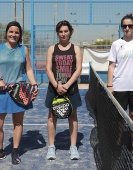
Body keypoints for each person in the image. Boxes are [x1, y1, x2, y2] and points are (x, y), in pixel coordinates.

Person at [0, 21, 38, 164]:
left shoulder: (24, 50)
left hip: (19, 90)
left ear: (20, 35)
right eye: (11, 32)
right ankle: (0, 149)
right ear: (6, 33)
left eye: (16, 32)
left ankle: (15, 151)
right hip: (1, 92)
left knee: (18, 122)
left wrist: (34, 84)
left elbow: (28, 69)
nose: (13, 34)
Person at [45, 20, 82, 160]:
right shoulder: (52, 49)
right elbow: (48, 68)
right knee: (51, 117)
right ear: (57, 33)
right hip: (54, 89)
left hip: (71, 89)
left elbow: (78, 69)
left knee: (72, 117)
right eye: (60, 31)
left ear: (70, 32)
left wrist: (67, 85)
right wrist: (57, 85)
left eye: (66, 31)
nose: (63, 34)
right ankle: (51, 147)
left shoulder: (76, 49)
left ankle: (73, 147)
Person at [107, 14, 133, 129]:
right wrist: (109, 85)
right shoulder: (116, 44)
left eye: (130, 26)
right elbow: (111, 66)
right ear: (122, 28)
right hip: (119, 87)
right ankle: (118, 145)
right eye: (124, 26)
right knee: (119, 117)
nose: (127, 28)